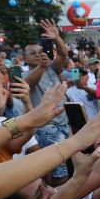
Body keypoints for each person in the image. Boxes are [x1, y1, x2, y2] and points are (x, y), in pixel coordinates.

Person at [22, 20, 71, 184]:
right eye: (32, 53)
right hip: (48, 128)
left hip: (64, 123)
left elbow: (64, 54)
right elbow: (28, 83)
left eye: (39, 51)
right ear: (24, 58)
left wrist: (56, 38)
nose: (37, 54)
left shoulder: (51, 68)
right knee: (60, 170)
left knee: (68, 165)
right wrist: (41, 67)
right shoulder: (23, 76)